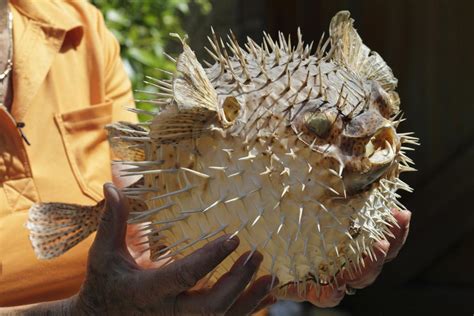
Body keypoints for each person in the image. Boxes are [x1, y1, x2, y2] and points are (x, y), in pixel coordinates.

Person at [0, 0, 411, 314]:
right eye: (319, 128)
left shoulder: (78, 26)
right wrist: (82, 312)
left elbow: (139, 214)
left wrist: (298, 263)